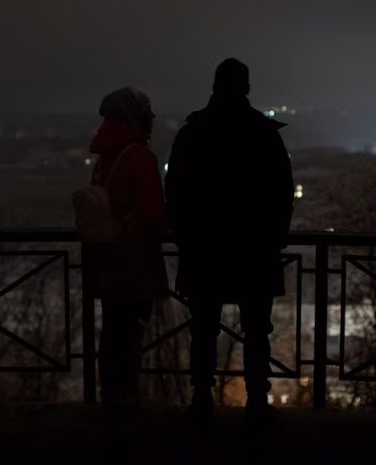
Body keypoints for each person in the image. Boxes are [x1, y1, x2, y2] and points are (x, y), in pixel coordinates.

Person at [165, 58, 294, 420]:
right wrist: (272, 239)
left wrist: (187, 239)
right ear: (247, 88)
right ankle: (256, 399)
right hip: (254, 250)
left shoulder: (193, 133)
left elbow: (175, 193)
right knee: (256, 331)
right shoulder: (265, 134)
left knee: (203, 329)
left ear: (215, 86)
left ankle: (202, 396)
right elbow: (281, 194)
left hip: (205, 250)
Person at [81, 87, 168, 410]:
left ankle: (110, 396)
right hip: (135, 262)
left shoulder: (104, 161)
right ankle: (125, 400)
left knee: (112, 331)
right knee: (131, 333)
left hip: (106, 260)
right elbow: (153, 215)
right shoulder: (140, 158)